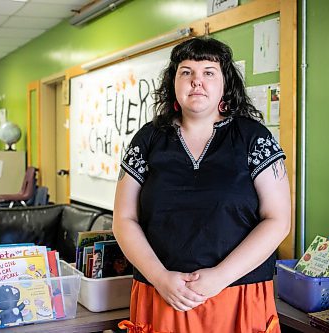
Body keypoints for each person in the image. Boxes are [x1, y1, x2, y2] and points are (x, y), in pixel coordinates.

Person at [113, 37, 291, 333]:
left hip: (238, 297)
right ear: (173, 82)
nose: (197, 81)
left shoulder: (254, 137)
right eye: (186, 72)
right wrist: (159, 277)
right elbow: (124, 219)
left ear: (225, 84)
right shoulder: (148, 139)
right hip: (163, 294)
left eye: (209, 72)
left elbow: (278, 220)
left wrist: (220, 276)